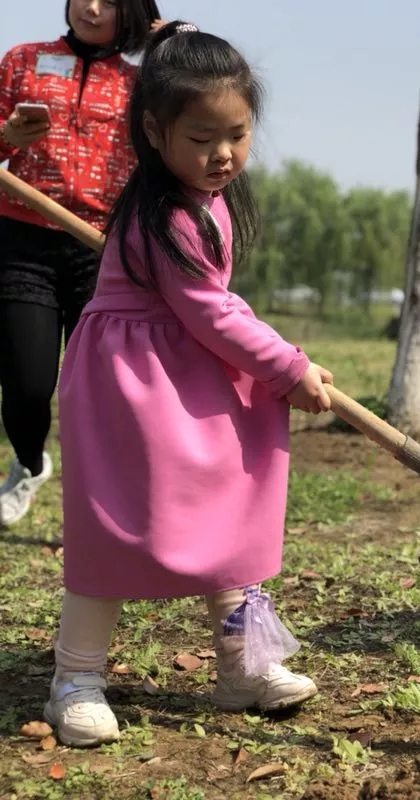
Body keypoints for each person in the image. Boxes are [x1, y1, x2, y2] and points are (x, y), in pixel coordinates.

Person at [43, 21, 334, 748]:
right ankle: (74, 679)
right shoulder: (164, 215)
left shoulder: (213, 204)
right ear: (154, 130)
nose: (223, 154)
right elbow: (210, 309)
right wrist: (288, 367)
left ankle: (243, 666)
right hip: (131, 387)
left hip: (194, 379)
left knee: (229, 516)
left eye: (236, 134)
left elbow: (214, 311)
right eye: (201, 137)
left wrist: (272, 364)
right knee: (115, 526)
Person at [0, 0, 162, 526]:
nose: (91, 7)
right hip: (21, 240)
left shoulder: (145, 84)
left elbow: (184, 135)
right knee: (27, 383)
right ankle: (28, 462)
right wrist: (7, 138)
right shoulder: (22, 60)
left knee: (100, 391)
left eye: (110, 1)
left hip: (102, 250)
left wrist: (174, 47)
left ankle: (103, 507)